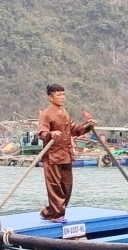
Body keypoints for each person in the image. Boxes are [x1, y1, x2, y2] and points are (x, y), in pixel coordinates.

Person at [36, 83, 96, 222]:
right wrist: (51, 134)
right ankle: (57, 215)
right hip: (52, 156)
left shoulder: (65, 113)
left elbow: (74, 130)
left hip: (66, 154)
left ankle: (49, 212)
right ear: (51, 98)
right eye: (59, 95)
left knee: (67, 187)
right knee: (55, 186)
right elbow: (41, 132)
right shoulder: (46, 114)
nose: (63, 97)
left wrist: (87, 126)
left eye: (63, 94)